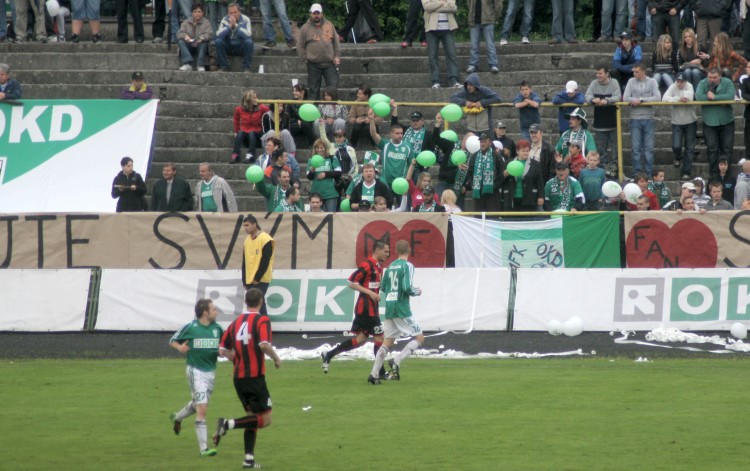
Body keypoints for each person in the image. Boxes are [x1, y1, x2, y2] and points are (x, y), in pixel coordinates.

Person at [213, 288, 281, 470]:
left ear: (246, 302)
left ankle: (248, 460)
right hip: (254, 377)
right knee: (265, 419)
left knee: (252, 418)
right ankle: (227, 424)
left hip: (239, 378)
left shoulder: (236, 322)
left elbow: (221, 349)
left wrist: (232, 356)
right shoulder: (262, 320)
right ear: (261, 301)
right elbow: (264, 345)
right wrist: (275, 358)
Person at [321, 240, 390, 376]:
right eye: (385, 251)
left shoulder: (379, 267)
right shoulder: (367, 265)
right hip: (365, 309)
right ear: (377, 250)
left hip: (372, 309)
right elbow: (352, 282)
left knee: (360, 340)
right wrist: (370, 293)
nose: (387, 254)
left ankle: (329, 354)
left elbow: (374, 285)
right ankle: (380, 372)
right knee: (380, 338)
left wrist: (379, 291)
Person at [169, 299, 223, 458]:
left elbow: (227, 345)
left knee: (198, 403)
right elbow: (172, 340)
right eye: (213, 309)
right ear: (205, 312)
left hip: (211, 372)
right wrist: (180, 347)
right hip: (195, 371)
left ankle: (177, 417)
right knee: (202, 408)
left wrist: (224, 351)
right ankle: (204, 449)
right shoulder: (191, 327)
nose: (216, 311)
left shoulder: (217, 329)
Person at [368, 239, 424, 385]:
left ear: (396, 252)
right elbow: (407, 287)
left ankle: (374, 374)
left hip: (390, 307)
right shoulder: (408, 266)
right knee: (419, 337)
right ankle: (396, 361)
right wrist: (417, 291)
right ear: (409, 250)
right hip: (402, 308)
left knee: (387, 342)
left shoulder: (391, 266)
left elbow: (383, 287)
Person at [696, 67, 735, 178]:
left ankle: (727, 174)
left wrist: (715, 97)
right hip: (709, 122)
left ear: (720, 76)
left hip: (726, 121)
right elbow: (699, 97)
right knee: (712, 149)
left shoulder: (727, 82)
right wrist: (711, 98)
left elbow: (730, 96)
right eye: (710, 77)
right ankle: (713, 174)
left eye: (715, 77)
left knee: (727, 149)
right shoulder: (702, 83)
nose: (712, 79)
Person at [623, 63, 660, 178]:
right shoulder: (631, 81)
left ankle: (649, 175)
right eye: (633, 72)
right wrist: (636, 100)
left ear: (644, 71)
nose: (634, 74)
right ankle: (637, 174)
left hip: (649, 118)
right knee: (636, 149)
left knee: (648, 149)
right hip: (635, 118)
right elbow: (625, 98)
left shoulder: (652, 81)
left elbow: (658, 97)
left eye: (637, 72)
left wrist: (641, 100)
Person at [298, 3, 340, 100]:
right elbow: (300, 45)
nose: (316, 15)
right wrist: (305, 58)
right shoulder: (305, 28)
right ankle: (314, 113)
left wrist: (337, 56)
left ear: (322, 14)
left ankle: (332, 112)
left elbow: (336, 42)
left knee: (332, 89)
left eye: (318, 13)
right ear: (310, 14)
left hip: (329, 63)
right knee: (313, 90)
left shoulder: (329, 25)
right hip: (313, 64)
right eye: (314, 13)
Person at [585, 65, 621, 172]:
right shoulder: (594, 83)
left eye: (600, 73)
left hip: (613, 122)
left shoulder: (614, 82)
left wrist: (607, 100)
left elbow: (617, 96)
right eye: (597, 73)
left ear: (606, 73)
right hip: (599, 124)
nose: (598, 75)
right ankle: (603, 172)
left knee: (616, 150)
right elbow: (587, 96)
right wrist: (593, 100)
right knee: (601, 150)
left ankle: (617, 171)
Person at [662, 71, 698, 180]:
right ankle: (677, 157)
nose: (680, 84)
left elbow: (690, 98)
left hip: (690, 121)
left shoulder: (689, 86)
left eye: (682, 81)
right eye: (678, 81)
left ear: (686, 81)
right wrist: (677, 99)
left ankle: (685, 172)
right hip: (677, 122)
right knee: (676, 146)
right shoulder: (673, 87)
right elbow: (664, 99)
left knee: (689, 148)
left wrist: (681, 99)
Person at [368, 110, 413, 187]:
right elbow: (373, 134)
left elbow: (411, 165)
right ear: (391, 134)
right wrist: (371, 120)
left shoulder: (408, 147)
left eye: (401, 133)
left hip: (401, 183)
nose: (400, 135)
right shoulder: (385, 144)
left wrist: (406, 180)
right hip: (386, 182)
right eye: (397, 133)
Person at [241, 214, 274, 314]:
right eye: (244, 226)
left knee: (258, 301)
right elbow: (245, 261)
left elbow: (265, 260)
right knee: (256, 302)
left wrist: (257, 277)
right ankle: (260, 324)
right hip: (250, 279)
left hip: (261, 279)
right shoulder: (247, 240)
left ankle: (264, 324)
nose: (245, 228)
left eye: (247, 225)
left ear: (254, 225)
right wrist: (244, 280)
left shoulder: (265, 239)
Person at [423, 0, 460, 89]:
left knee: (451, 54)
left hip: (448, 28)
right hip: (431, 28)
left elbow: (453, 7)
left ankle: (454, 80)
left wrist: (435, 6)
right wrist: (442, 3)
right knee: (433, 56)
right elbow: (427, 7)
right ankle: (435, 81)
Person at [500, 139, 545, 211]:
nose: (526, 153)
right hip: (511, 199)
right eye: (523, 151)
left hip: (529, 199)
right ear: (517, 151)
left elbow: (540, 182)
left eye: (527, 151)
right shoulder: (508, 163)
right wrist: (504, 175)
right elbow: (500, 181)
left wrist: (541, 196)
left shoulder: (536, 164)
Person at [465, 133, 505, 211]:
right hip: (478, 192)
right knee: (479, 218)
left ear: (490, 143)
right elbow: (469, 173)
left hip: (493, 193)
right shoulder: (475, 156)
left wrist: (494, 186)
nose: (482, 144)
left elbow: (501, 174)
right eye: (481, 142)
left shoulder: (496, 156)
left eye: (484, 142)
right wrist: (472, 185)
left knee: (492, 218)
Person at [307, 131, 342, 212]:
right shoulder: (311, 160)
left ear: (325, 148)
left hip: (330, 193)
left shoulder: (332, 158)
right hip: (316, 193)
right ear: (315, 149)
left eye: (322, 147)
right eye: (317, 148)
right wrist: (312, 171)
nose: (320, 149)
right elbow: (309, 177)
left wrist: (325, 174)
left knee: (331, 217)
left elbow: (338, 173)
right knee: (316, 217)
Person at [231, 89, 269, 164]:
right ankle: (235, 154)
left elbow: (269, 112)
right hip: (245, 135)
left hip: (256, 134)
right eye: (254, 98)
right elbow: (236, 120)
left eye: (257, 97)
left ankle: (250, 155)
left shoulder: (261, 107)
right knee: (240, 132)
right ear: (248, 100)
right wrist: (236, 131)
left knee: (252, 132)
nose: (256, 99)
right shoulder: (239, 109)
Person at [215, 2, 254, 72]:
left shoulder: (246, 19)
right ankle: (224, 66)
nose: (233, 15)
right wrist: (229, 26)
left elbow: (248, 36)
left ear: (239, 12)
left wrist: (236, 25)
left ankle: (247, 68)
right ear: (228, 13)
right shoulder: (224, 19)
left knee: (249, 42)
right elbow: (219, 35)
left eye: (235, 12)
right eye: (230, 13)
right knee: (218, 42)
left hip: (240, 46)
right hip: (229, 45)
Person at [466, 0, 501, 74]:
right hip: (474, 20)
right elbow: (468, 3)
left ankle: (493, 64)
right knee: (474, 45)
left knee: (490, 44)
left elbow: (498, 4)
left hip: (488, 20)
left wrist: (494, 17)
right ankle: (473, 64)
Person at [177, 4, 213, 72]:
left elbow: (209, 34)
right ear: (192, 13)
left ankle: (200, 65)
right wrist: (185, 36)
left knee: (204, 44)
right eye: (195, 12)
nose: (197, 14)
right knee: (181, 42)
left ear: (202, 13)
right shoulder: (186, 22)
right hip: (189, 44)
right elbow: (179, 33)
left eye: (199, 12)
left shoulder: (206, 22)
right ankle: (187, 63)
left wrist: (202, 37)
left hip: (200, 44)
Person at [741, 63, 750, 160]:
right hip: (749, 115)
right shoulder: (745, 81)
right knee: (748, 139)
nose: (746, 68)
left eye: (748, 67)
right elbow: (744, 95)